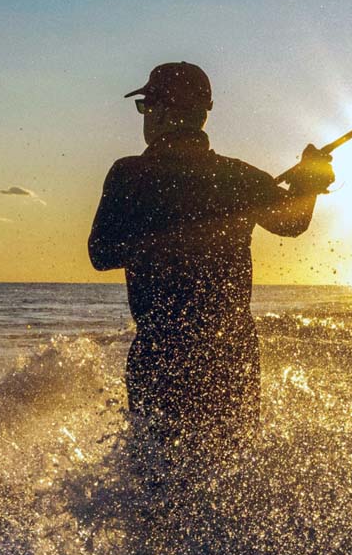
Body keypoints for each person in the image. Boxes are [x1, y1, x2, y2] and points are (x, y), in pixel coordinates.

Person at [89, 62, 333, 451]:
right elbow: (293, 223)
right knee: (232, 468)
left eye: (145, 106)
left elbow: (100, 253)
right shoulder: (238, 176)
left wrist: (158, 242)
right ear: (202, 113)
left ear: (166, 111)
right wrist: (310, 181)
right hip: (231, 354)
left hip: (160, 353)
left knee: (156, 478)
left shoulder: (129, 175)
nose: (145, 118)